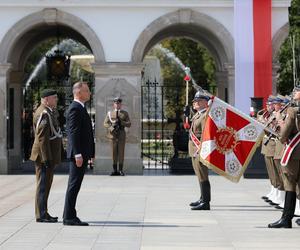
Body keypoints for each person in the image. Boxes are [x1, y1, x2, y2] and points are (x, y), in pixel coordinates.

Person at [63, 82, 95, 226]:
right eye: (87, 91)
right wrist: (77, 155)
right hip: (78, 155)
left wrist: (91, 153)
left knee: (75, 185)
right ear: (79, 93)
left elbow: (87, 133)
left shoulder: (81, 108)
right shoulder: (75, 109)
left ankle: (68, 214)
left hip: (82, 153)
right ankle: (69, 217)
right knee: (74, 185)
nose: (89, 93)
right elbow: (73, 134)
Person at [268, 87, 300, 228]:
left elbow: (283, 136)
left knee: (289, 184)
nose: (294, 93)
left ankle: (286, 218)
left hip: (294, 154)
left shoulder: (292, 111)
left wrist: (281, 121)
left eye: (297, 91)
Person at [30, 89, 62, 223]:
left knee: (46, 184)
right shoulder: (43, 113)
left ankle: (44, 212)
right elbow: (42, 138)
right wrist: (46, 158)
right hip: (43, 156)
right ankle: (41, 214)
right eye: (54, 98)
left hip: (46, 155)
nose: (56, 100)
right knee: (43, 185)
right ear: (47, 99)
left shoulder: (48, 111)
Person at [188, 91, 211, 210]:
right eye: (195, 101)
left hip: (199, 149)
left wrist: (200, 149)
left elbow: (205, 135)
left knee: (203, 175)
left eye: (198, 101)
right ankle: (202, 198)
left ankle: (206, 202)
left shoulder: (205, 115)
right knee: (199, 174)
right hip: (194, 149)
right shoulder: (198, 114)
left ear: (205, 103)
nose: (195, 103)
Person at [103, 97, 131, 176]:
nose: (117, 105)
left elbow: (129, 124)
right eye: (116, 103)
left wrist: (122, 122)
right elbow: (105, 123)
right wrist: (111, 128)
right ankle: (114, 170)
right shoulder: (110, 113)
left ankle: (121, 170)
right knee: (113, 153)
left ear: (121, 104)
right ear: (114, 104)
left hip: (121, 135)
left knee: (121, 153)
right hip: (113, 136)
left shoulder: (125, 113)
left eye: (119, 103)